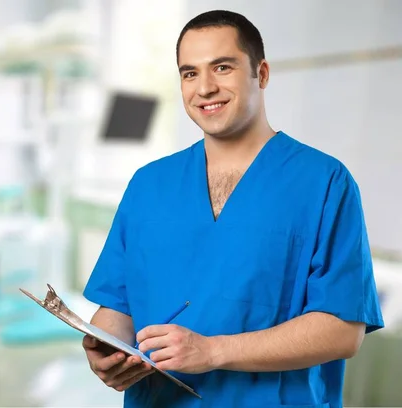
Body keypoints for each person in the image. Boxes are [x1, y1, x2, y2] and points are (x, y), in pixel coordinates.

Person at [80, 9, 385, 408]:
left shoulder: (324, 182)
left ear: (261, 74)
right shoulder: (149, 184)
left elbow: (343, 330)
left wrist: (212, 351)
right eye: (190, 73)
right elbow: (117, 306)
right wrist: (106, 348)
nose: (204, 88)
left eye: (221, 68)